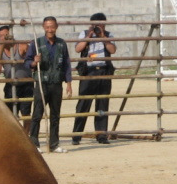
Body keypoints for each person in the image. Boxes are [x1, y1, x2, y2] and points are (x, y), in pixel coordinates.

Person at [25, 16, 72, 153]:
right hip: (42, 83)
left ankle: (54, 144)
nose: (50, 29)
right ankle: (34, 143)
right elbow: (27, 61)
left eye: (52, 26)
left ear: (56, 27)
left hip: (56, 83)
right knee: (37, 114)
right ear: (43, 27)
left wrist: (68, 83)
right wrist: (34, 62)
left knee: (55, 115)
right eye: (47, 27)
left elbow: (66, 64)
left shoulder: (62, 44)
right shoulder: (36, 42)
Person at [72, 12, 116, 145]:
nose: (98, 26)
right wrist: (88, 36)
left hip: (103, 71)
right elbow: (78, 49)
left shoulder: (109, 35)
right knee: (83, 104)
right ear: (90, 24)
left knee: (102, 105)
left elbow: (112, 50)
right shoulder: (84, 33)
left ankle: (101, 135)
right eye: (95, 24)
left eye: (101, 24)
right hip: (88, 72)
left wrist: (103, 36)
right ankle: (77, 135)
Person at [0, 24, 30, 120]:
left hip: (25, 84)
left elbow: (31, 59)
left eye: (6, 35)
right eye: (1, 36)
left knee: (26, 113)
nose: (4, 38)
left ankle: (25, 134)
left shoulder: (22, 46)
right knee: (9, 114)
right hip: (10, 84)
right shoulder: (0, 49)